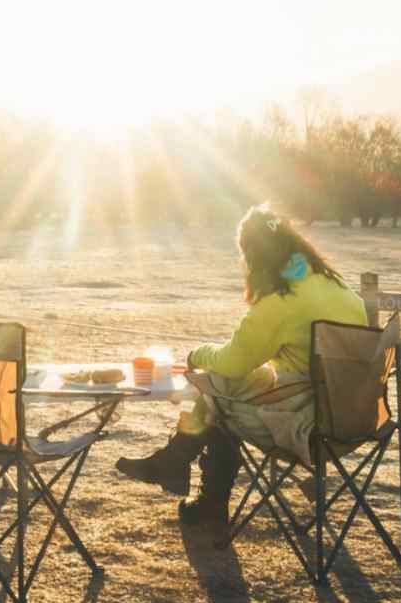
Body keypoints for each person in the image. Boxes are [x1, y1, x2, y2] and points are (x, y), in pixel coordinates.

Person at [115, 204, 368, 532]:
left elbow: (234, 362)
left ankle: (185, 475)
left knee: (219, 393)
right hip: (354, 418)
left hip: (309, 427)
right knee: (225, 390)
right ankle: (179, 470)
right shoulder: (332, 284)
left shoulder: (281, 299)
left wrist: (197, 355)